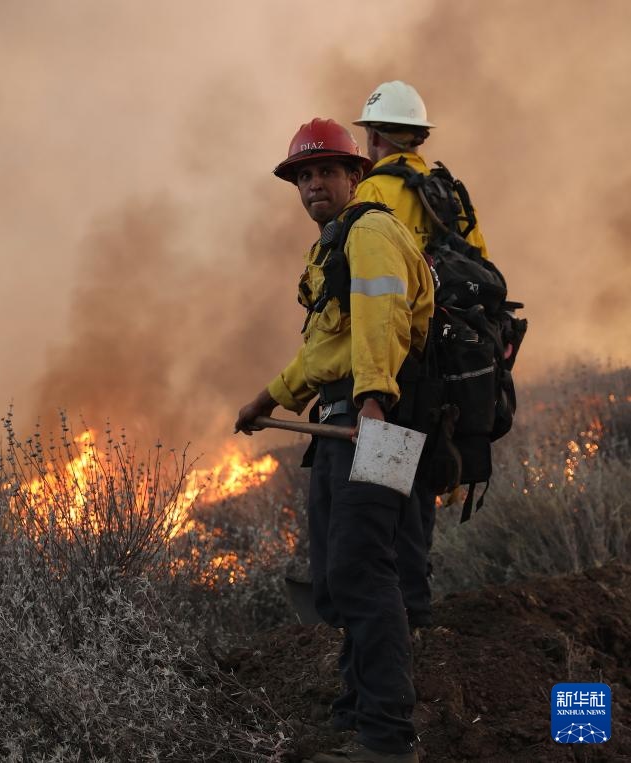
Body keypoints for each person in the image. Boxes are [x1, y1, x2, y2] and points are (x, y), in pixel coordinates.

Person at [234, 117, 433, 763]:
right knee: (337, 574)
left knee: (361, 569)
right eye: (303, 176)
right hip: (346, 421)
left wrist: (373, 399)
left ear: (354, 176)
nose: (313, 184)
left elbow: (381, 317)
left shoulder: (370, 231)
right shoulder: (334, 244)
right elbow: (326, 347)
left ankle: (386, 740)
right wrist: (268, 398)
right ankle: (357, 710)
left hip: (375, 422)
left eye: (325, 171)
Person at [352, 80, 492, 629]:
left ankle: (397, 611)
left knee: (386, 488)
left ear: (375, 138)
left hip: (399, 363)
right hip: (449, 366)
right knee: (422, 482)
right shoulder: (449, 194)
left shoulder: (371, 192)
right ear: (418, 137)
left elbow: (361, 284)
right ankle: (419, 599)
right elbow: (484, 273)